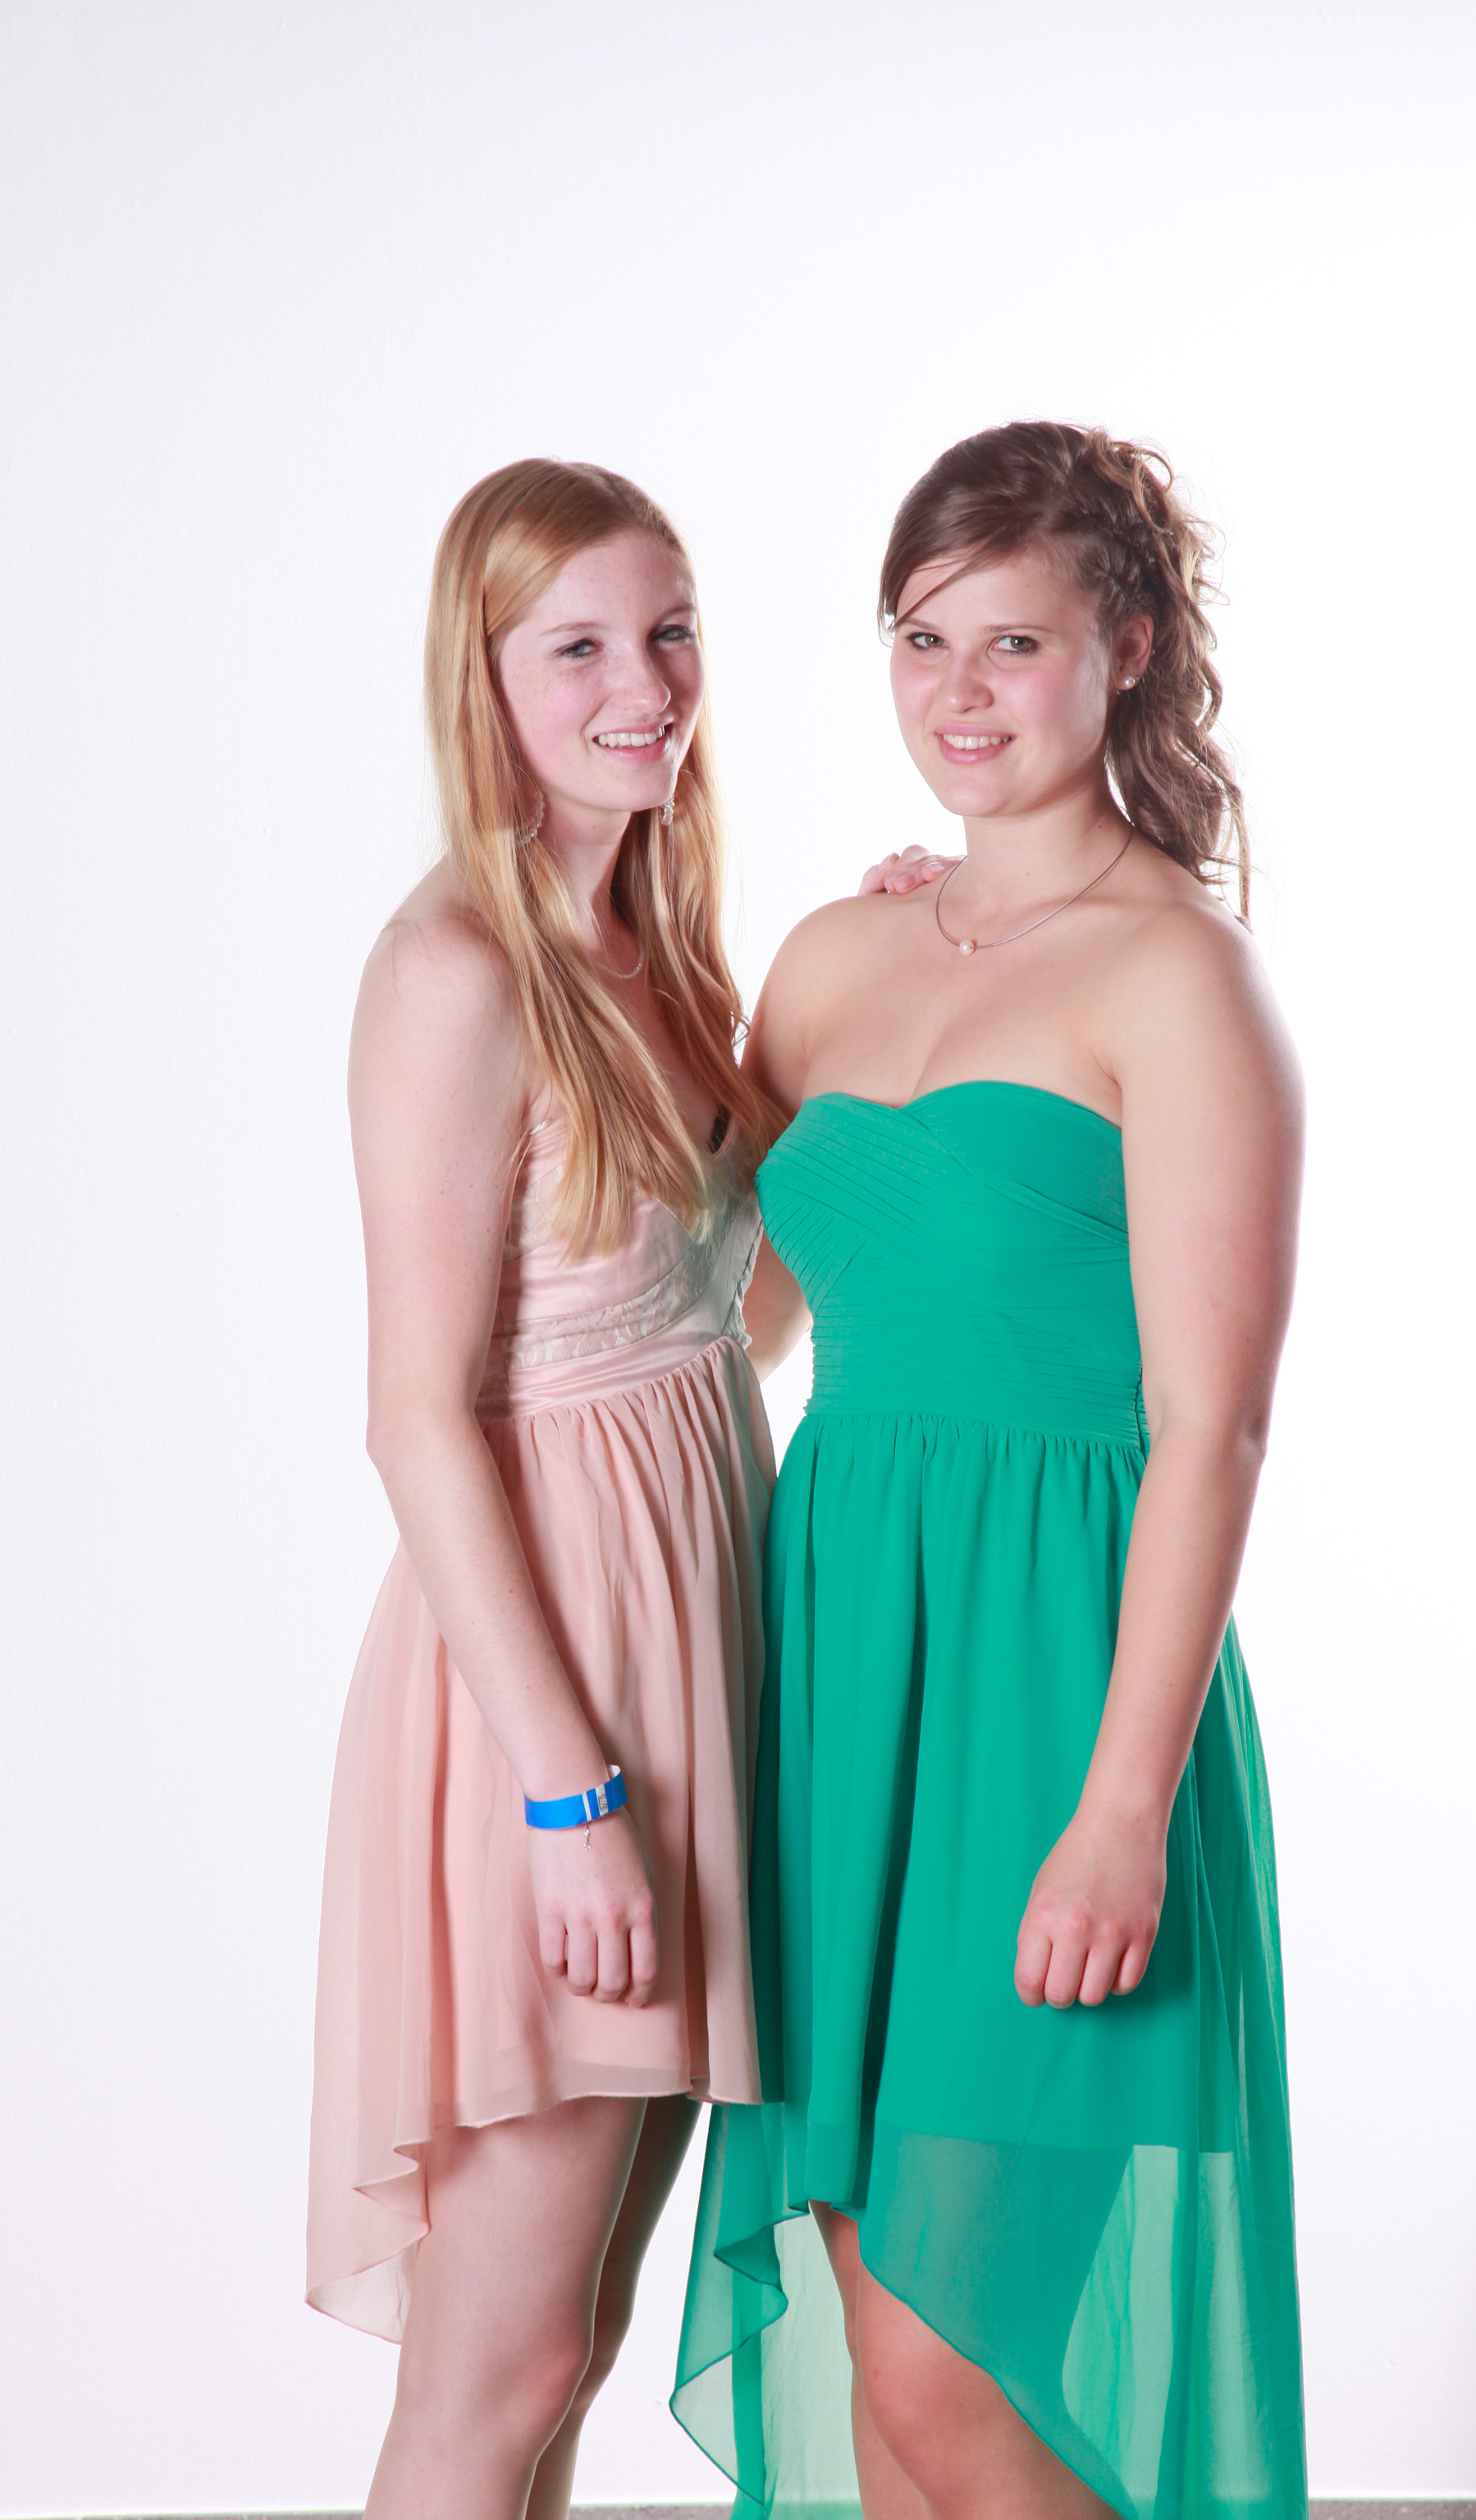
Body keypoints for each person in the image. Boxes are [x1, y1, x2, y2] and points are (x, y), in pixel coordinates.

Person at [676, 421, 1309, 2520]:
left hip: (1053, 1696)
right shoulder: (830, 958)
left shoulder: (1178, 979)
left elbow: (1213, 1425)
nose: (957, 692)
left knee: (945, 2380)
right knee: (887, 2375)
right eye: (920, 638)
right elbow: (738, 1314)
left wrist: (1120, 1813)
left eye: (1012, 642)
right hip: (844, 1678)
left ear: (1124, 648)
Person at [306, 459, 945, 2520]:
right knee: (493, 2369)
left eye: (669, 633)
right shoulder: (454, 973)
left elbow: (729, 1324)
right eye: (577, 646)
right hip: (551, 1696)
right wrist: (566, 1794)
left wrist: (857, 1025)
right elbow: (415, 1416)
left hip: (686, 1666)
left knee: (561, 2346)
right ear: (481, 679)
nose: (643, 686)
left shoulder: (653, 951)